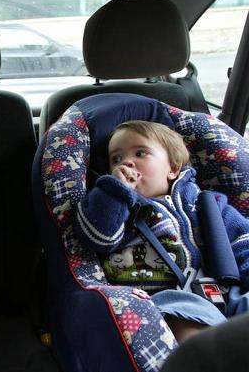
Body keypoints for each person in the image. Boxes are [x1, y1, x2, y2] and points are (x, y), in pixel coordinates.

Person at [74, 120, 249, 342]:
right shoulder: (116, 206)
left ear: (173, 168)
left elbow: (243, 240)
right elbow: (98, 237)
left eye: (140, 153)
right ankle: (205, 358)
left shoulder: (207, 204)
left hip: (222, 288)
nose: (127, 162)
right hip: (163, 296)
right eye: (116, 159)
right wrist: (115, 191)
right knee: (180, 313)